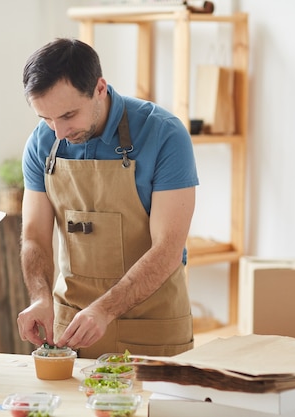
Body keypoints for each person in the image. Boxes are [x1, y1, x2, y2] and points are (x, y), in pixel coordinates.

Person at [16, 38, 198, 358]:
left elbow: (168, 249)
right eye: (45, 118)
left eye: (68, 115)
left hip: (152, 328)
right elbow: (34, 237)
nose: (57, 131)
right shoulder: (42, 142)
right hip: (72, 329)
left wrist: (104, 309)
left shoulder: (165, 135)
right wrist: (40, 297)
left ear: (100, 88)